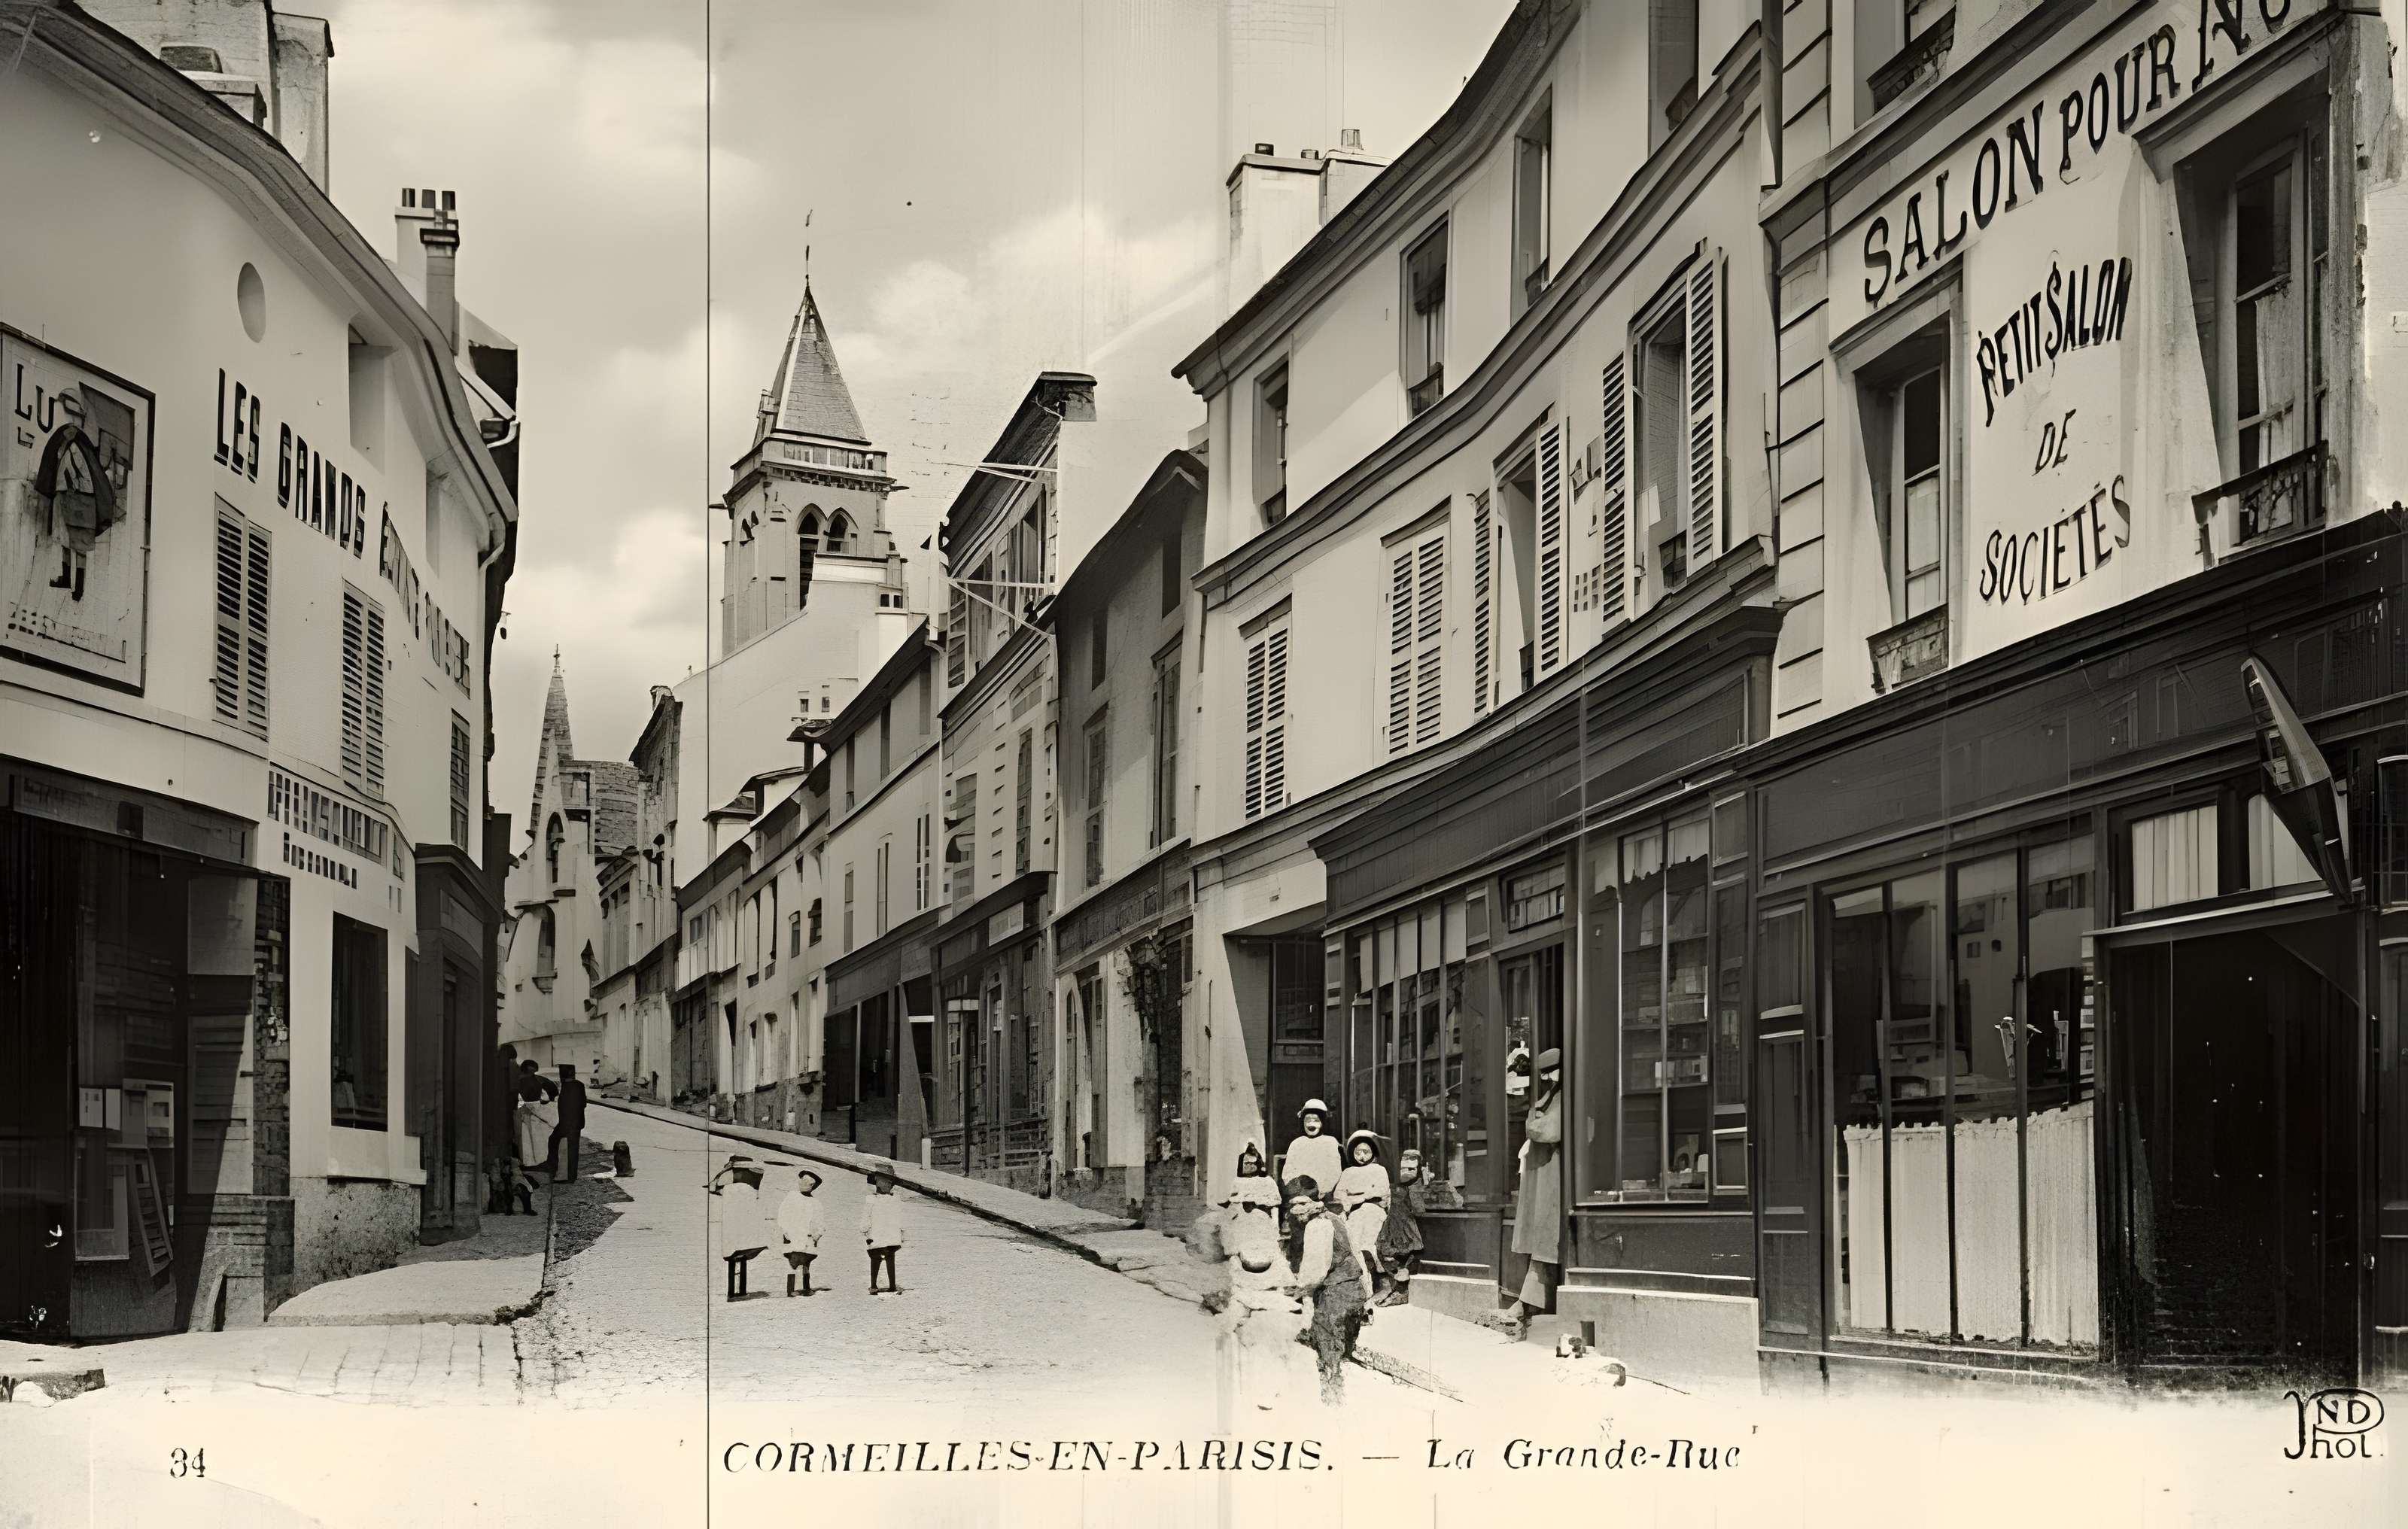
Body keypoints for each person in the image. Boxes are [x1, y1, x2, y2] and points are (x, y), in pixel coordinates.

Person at [1215, 1145, 1308, 1412]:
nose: (1249, 1167)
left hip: (1264, 1239)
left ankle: (1271, 1387)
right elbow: (1231, 1215)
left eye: (1253, 1163)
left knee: (1267, 1339)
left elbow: (1275, 1210)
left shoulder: (1267, 1186)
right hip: (1246, 1245)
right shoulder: (1237, 1190)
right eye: (1245, 1163)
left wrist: (1276, 1232)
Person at [1284, 1176, 1369, 1404]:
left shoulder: (1317, 1225)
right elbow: (1357, 1253)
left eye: (1301, 1204)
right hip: (1355, 1287)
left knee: (1325, 1330)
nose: (1296, 1211)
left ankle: (1332, 1385)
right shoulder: (1335, 1218)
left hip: (1338, 1291)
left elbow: (1315, 1268)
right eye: (1292, 1205)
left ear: (1312, 1202)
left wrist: (1298, 1290)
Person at [34, 388, 120, 603]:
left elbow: (80, 475)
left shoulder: (79, 447)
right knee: (64, 540)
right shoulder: (66, 444)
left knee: (79, 545)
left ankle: (79, 588)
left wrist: (70, 485)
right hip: (67, 499)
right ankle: (66, 578)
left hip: (80, 501)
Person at [1505, 1047, 1564, 1337]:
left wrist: (1531, 1118)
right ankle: (1528, 1305)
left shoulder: (1560, 1098)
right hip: (1545, 1177)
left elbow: (1547, 1131)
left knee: (1545, 1241)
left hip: (1551, 1179)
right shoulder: (1555, 1095)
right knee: (1544, 1243)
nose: (1545, 1079)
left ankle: (1528, 1306)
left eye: (1548, 1072)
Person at [1378, 1147, 1455, 1306]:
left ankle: (1401, 1289)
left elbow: (1419, 1209)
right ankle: (1398, 1287)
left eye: (1412, 1167)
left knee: (1405, 1257)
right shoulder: (1398, 1189)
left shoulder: (1416, 1187)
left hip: (1414, 1233)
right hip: (1400, 1232)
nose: (1406, 1170)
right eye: (1403, 1166)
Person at [1333, 1129, 1391, 1302]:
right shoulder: (1348, 1173)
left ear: (1373, 1152)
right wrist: (1360, 1197)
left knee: (1370, 1244)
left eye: (1366, 1152)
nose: (1362, 1156)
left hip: (1374, 1212)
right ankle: (1362, 1286)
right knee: (1353, 1245)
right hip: (1354, 1213)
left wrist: (1359, 1197)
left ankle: (1382, 1283)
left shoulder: (1379, 1170)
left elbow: (1381, 1192)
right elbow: (1339, 1195)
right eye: (1358, 1152)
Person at [707, 1154, 771, 1299]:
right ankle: (738, 1292)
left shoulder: (731, 1185)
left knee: (734, 1259)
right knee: (740, 1259)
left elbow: (712, 1187)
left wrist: (724, 1170)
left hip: (733, 1228)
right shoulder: (753, 1181)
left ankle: (734, 1293)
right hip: (744, 1228)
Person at [1278, 1099, 1343, 1202]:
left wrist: (1322, 1192)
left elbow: (1334, 1172)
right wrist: (1296, 1192)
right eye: (1308, 1120)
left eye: (1316, 1120)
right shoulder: (1296, 1144)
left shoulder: (1330, 1142)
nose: (1311, 1125)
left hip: (1323, 1198)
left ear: (1323, 1122)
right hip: (1298, 1197)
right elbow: (1288, 1173)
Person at [511, 1060, 557, 1195]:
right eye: (531, 1072)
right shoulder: (524, 1082)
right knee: (530, 1139)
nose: (533, 1075)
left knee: (533, 1139)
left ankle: (534, 1161)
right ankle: (533, 1161)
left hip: (530, 1111)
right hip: (527, 1112)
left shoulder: (529, 1081)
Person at [777, 1169, 822, 1296]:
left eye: (810, 1183)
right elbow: (783, 1215)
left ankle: (806, 1288)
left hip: (808, 1237)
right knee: (793, 1262)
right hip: (793, 1236)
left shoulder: (815, 1203)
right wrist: (786, 1231)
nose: (805, 1185)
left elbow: (819, 1221)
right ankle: (791, 1289)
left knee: (806, 1261)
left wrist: (817, 1234)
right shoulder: (792, 1197)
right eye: (804, 1181)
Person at [865, 1163, 905, 1294]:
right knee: (888, 1258)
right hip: (889, 1236)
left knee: (877, 1259)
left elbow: (866, 1218)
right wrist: (901, 1233)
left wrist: (865, 1231)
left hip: (877, 1236)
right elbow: (899, 1219)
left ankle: (875, 1285)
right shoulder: (894, 1200)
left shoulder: (872, 1199)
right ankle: (890, 1285)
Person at [549, 1063, 588, 1184]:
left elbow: (566, 1108)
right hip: (576, 1122)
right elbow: (583, 1103)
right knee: (572, 1149)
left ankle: (563, 1174)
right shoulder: (579, 1085)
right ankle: (570, 1176)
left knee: (557, 1143)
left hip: (568, 1123)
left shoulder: (567, 1086)